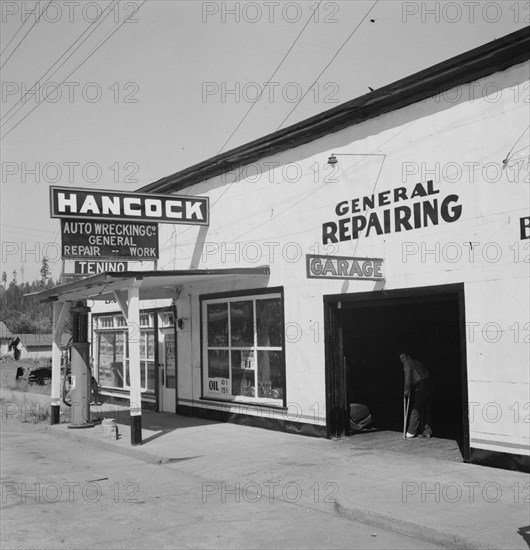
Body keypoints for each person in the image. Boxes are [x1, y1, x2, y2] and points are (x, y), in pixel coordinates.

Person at [399, 350, 433, 439]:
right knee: (427, 409)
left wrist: (406, 390)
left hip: (421, 386)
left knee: (416, 408)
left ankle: (411, 432)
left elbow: (408, 377)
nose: (403, 360)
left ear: (408, 356)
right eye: (401, 359)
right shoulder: (418, 362)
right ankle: (427, 432)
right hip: (429, 385)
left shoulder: (408, 363)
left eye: (404, 357)